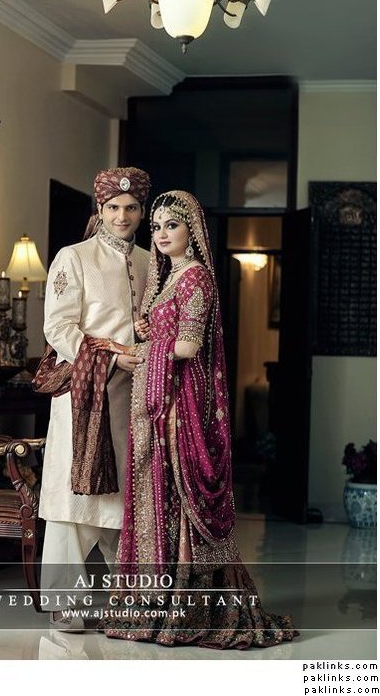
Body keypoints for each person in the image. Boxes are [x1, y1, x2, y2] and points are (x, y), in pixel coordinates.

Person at [90, 190, 298, 648]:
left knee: (175, 494)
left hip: (179, 403)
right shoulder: (170, 278)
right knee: (156, 495)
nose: (162, 234)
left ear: (193, 231)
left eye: (173, 225)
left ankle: (184, 610)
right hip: (161, 398)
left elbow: (187, 347)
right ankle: (154, 606)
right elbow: (171, 332)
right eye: (157, 226)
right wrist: (148, 328)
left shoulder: (194, 277)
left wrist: (137, 348)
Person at [39, 166, 151, 629]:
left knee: (127, 496)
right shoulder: (74, 257)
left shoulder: (150, 261)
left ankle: (128, 598)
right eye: (113, 207)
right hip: (84, 396)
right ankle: (65, 602)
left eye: (131, 208)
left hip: (136, 397)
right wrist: (109, 359)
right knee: (73, 500)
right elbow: (57, 326)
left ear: (142, 211)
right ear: (100, 209)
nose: (122, 216)